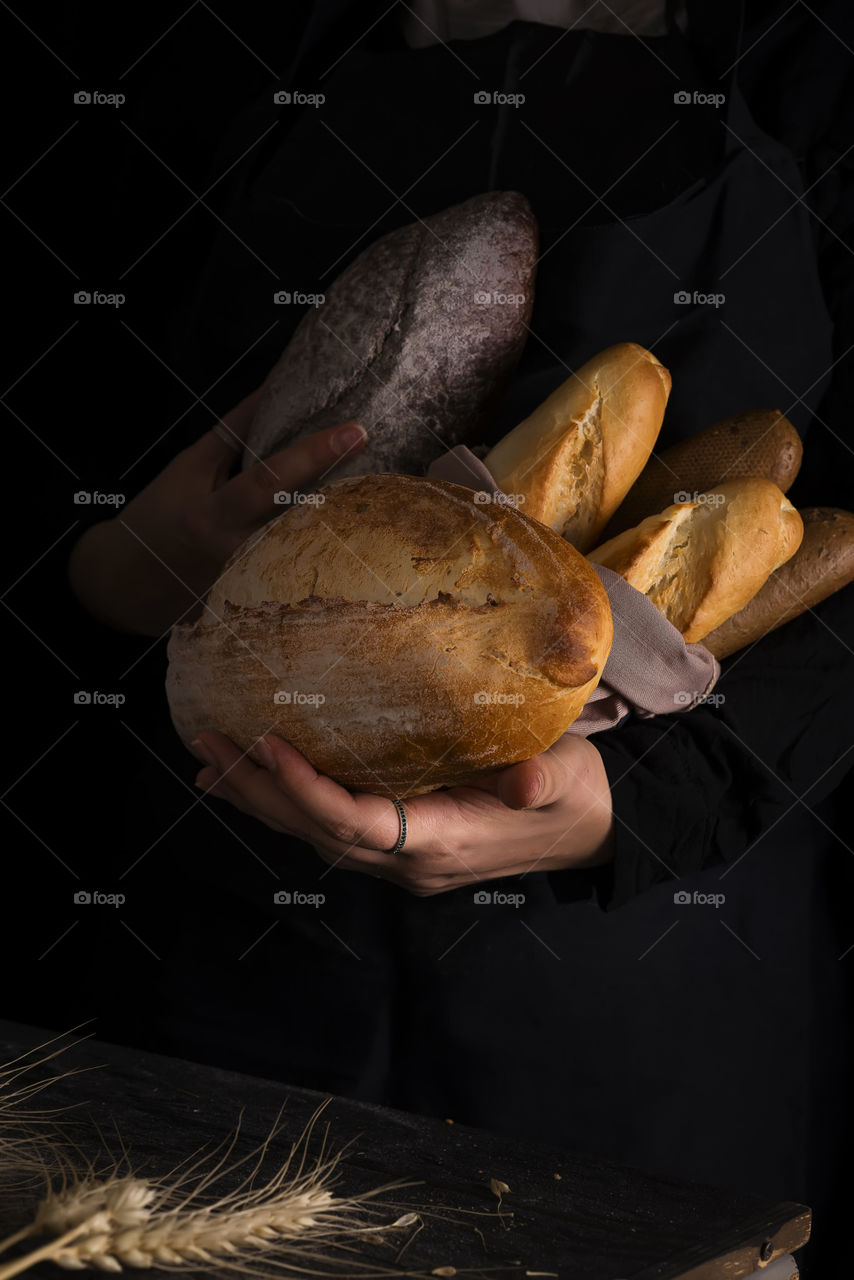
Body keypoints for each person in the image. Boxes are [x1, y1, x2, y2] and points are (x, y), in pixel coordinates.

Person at [65, 2, 854, 1274]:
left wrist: (630, 804)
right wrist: (125, 564)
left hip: (643, 977)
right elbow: (68, 484)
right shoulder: (187, 49)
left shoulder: (810, 62)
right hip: (226, 957)